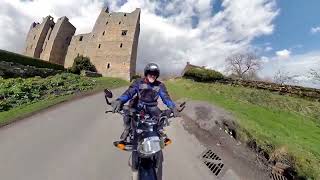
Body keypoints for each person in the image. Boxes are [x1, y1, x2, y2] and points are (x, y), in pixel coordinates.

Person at [111, 63, 180, 142]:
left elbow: (165, 97)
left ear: (157, 75)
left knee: (162, 118)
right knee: (127, 111)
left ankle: (159, 132)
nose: (152, 75)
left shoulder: (160, 85)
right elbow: (129, 93)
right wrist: (120, 100)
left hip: (152, 107)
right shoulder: (138, 82)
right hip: (139, 105)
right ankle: (127, 129)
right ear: (146, 73)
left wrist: (173, 107)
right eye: (150, 73)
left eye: (155, 74)